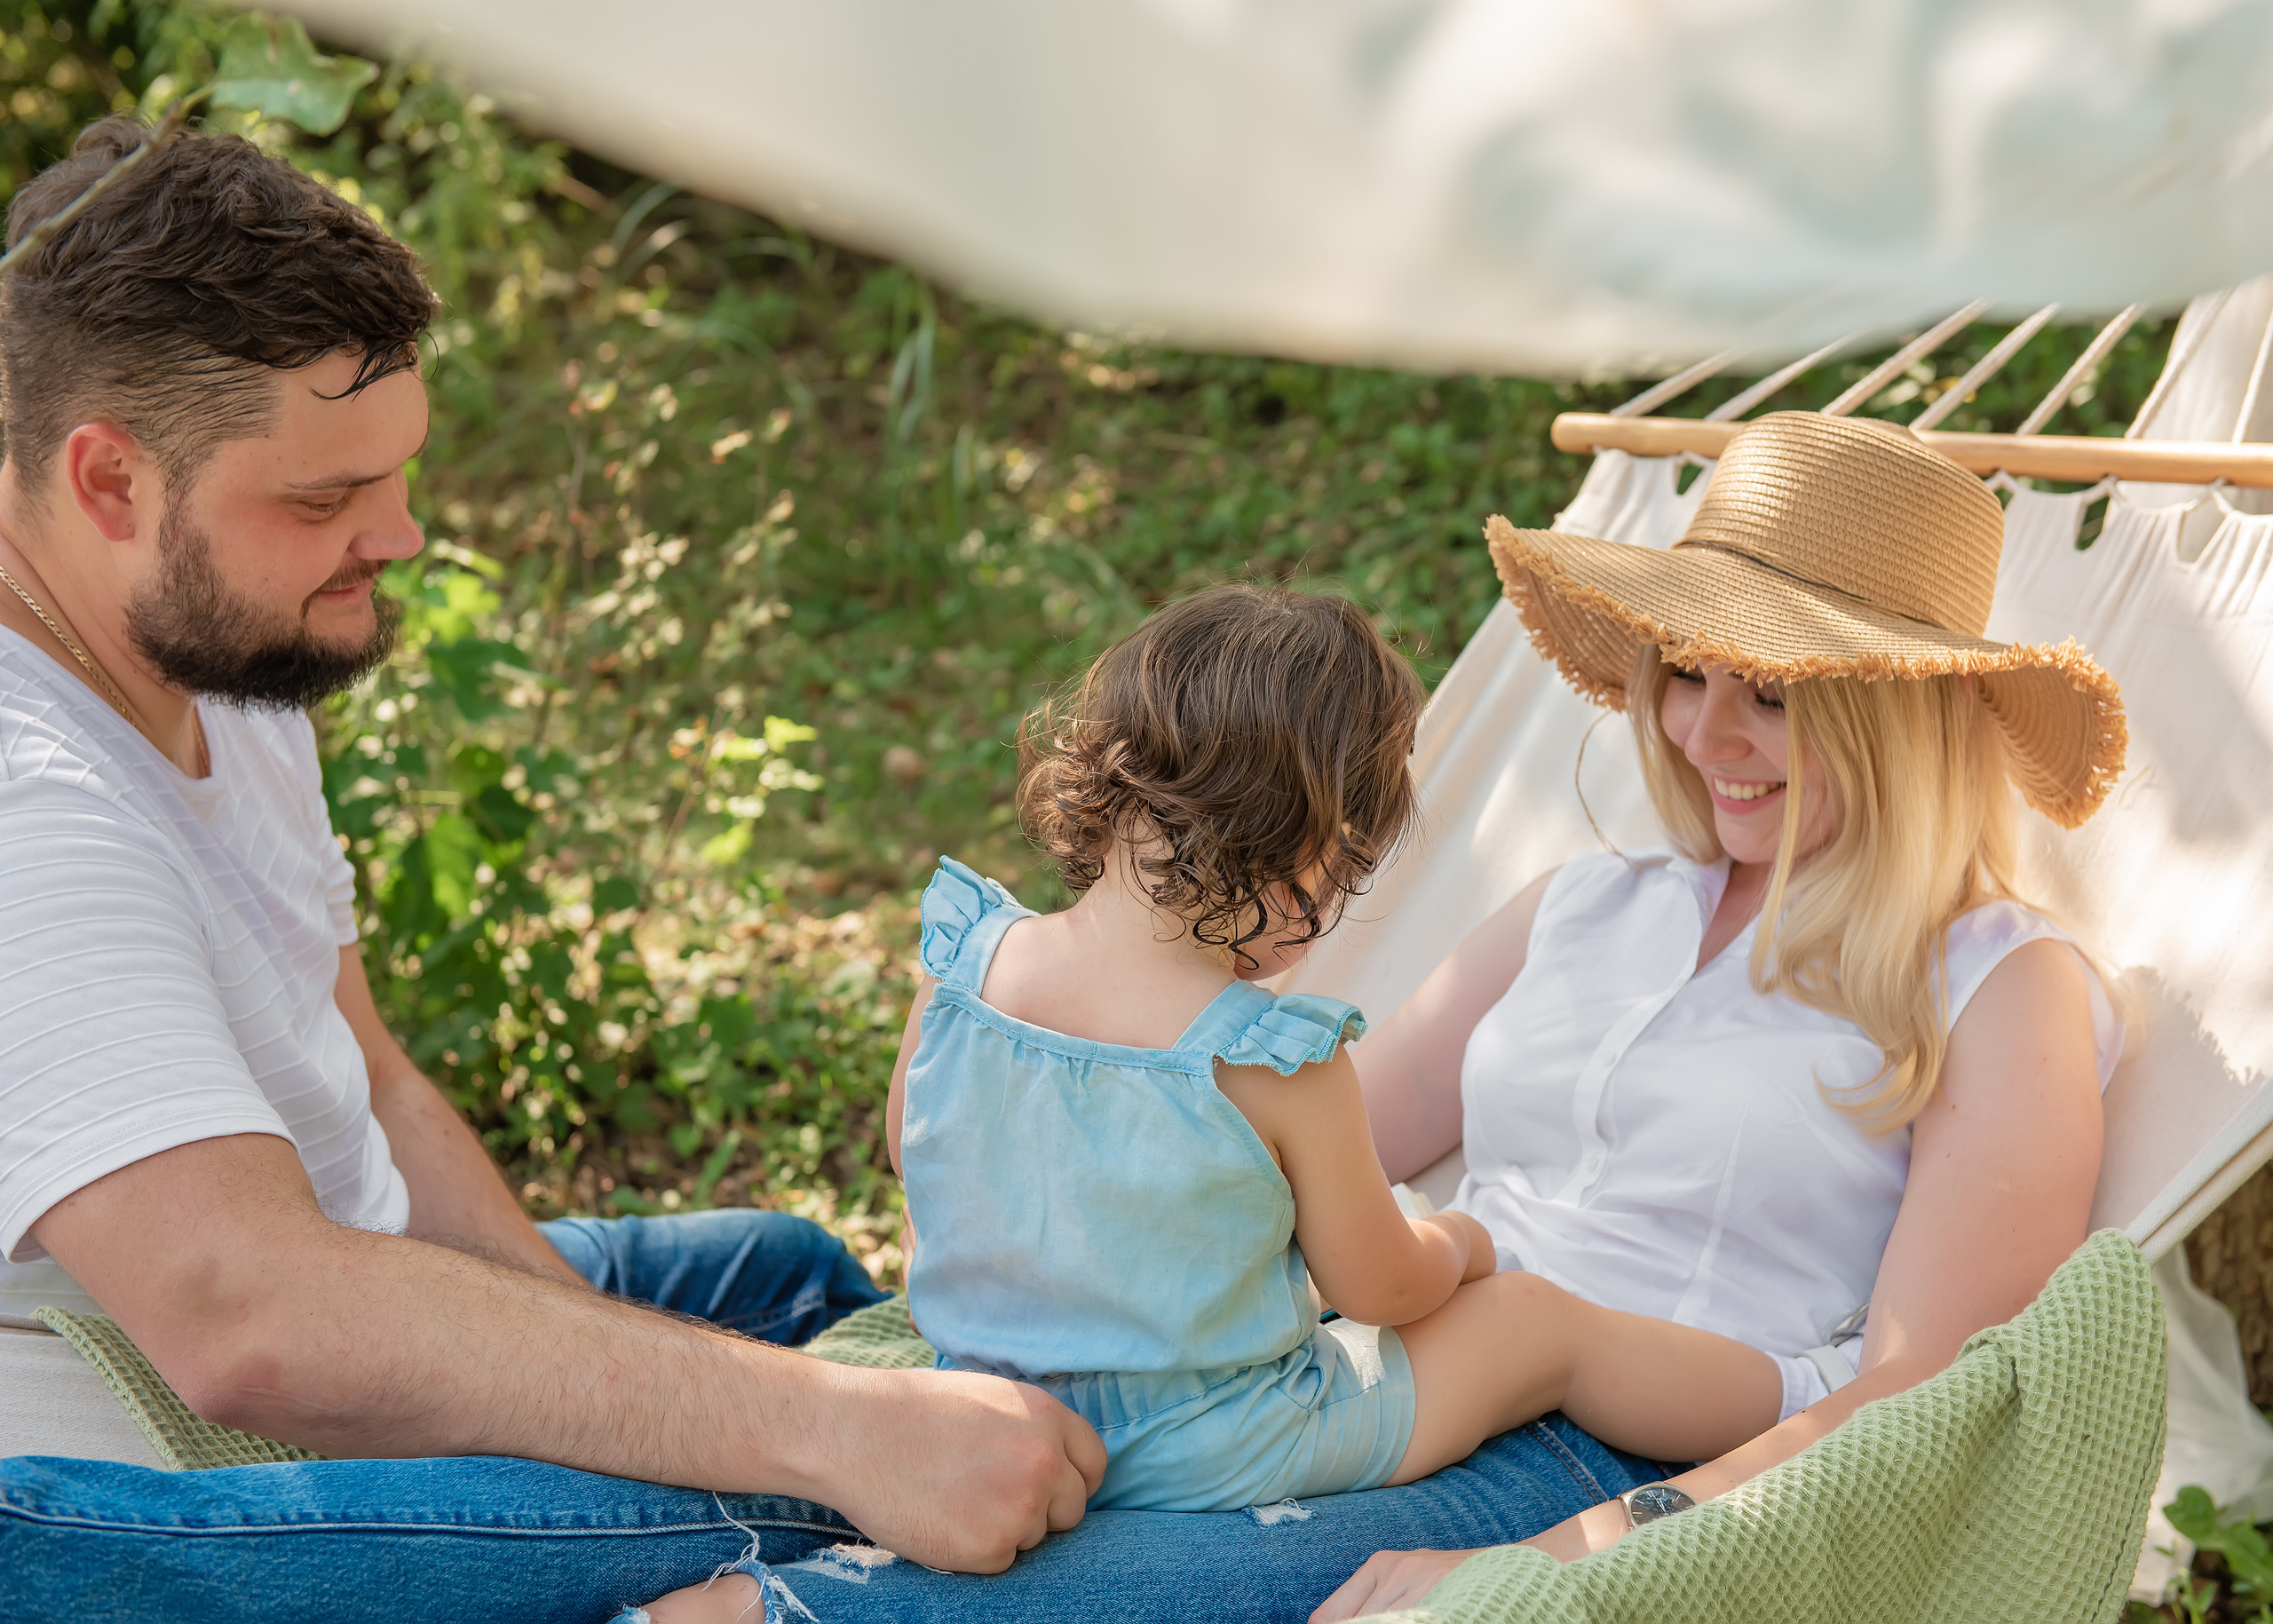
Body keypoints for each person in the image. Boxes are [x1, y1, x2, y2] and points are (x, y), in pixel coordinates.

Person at [638, 410, 2125, 1623]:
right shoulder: (1588, 906)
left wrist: (1582, 1557)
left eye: (1774, 700)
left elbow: (1924, 1394)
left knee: (1000, 1581)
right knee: (848, 1468)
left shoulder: (2002, 988)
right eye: (1688, 675)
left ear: (1899, 714)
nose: (1702, 733)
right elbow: (1290, 1132)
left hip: (1607, 1447)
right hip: (1360, 1372)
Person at [0, 115, 1105, 1621]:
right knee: (870, 1494)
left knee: (780, 1274)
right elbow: (238, 1313)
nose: (398, 536)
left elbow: (371, 1077)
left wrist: (605, 1383)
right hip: (148, 1493)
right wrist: (814, 1429)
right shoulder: (35, 796)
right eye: (324, 501)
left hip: (322, 1286)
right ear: (109, 479)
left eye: (396, 475)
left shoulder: (208, 636)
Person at [891, 584, 1778, 1516]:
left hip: (985, 1402)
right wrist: (1459, 1240)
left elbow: (920, 1163)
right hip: (1211, 1444)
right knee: (1529, 1322)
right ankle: (1815, 1405)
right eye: (1346, 874)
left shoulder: (960, 966)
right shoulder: (1271, 1061)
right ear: (1309, 846)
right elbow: (1380, 1285)